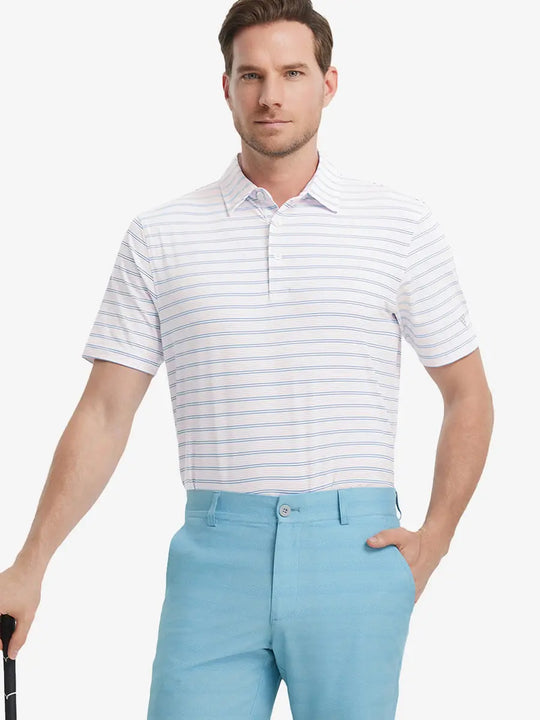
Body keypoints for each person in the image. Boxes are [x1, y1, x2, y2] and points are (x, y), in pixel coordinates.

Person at [0, 0, 494, 718]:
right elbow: (104, 413)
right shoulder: (160, 236)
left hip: (354, 554)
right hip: (214, 558)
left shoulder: (400, 226)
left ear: (328, 84)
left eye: (292, 73)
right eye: (252, 75)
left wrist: (437, 537)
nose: (271, 95)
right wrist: (30, 564)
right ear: (226, 87)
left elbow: (468, 393)